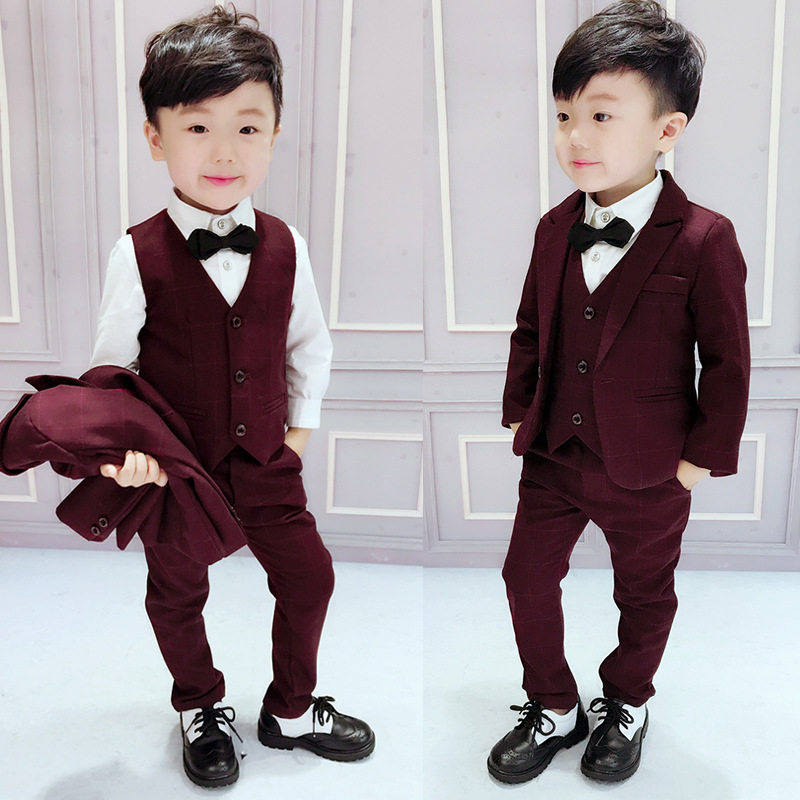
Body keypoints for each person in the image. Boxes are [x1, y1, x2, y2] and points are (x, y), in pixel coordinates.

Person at [92, 5, 374, 788]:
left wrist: (297, 436)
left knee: (309, 577)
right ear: (156, 138)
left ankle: (291, 709)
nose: (224, 151)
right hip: (178, 473)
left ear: (275, 135)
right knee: (177, 591)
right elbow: (111, 374)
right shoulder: (136, 252)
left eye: (248, 128)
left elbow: (309, 344)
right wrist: (129, 455)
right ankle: (199, 704)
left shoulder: (286, 243)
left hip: (266, 461)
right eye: (197, 127)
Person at [488, 0, 749, 784]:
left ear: (667, 129)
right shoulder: (552, 227)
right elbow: (531, 326)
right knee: (524, 577)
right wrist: (519, 410)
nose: (577, 137)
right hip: (554, 453)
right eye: (565, 115)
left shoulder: (704, 237)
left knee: (644, 592)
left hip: (651, 466)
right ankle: (553, 703)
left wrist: (698, 463)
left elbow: (727, 362)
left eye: (602, 115)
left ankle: (627, 699)